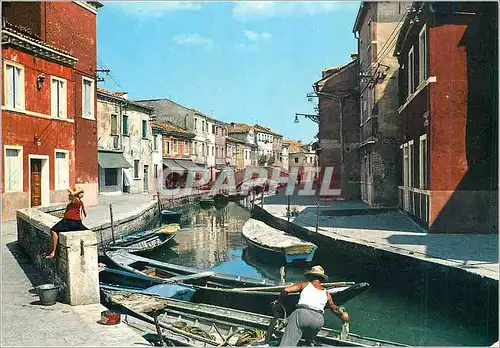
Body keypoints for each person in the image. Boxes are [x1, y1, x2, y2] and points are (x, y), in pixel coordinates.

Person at [278, 265, 349, 346]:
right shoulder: (326, 293)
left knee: (288, 342)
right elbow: (334, 308)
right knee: (307, 343)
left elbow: (286, 290)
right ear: (321, 279)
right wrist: (342, 315)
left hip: (302, 314)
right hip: (318, 320)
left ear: (310, 276)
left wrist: (278, 302)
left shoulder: (304, 284)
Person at [45, 187, 88, 259]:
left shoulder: (76, 201)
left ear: (74, 195)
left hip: (69, 222)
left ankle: (53, 252)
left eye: (69, 195)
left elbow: (77, 193)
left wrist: (73, 192)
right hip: (77, 223)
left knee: (53, 230)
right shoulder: (75, 203)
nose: (68, 196)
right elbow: (81, 214)